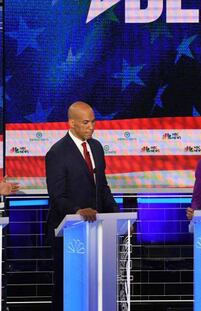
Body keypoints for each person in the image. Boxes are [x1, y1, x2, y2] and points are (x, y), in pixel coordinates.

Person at [45, 101, 119, 310]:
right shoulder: (57, 153)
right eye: (86, 123)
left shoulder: (95, 147)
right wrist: (78, 211)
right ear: (72, 123)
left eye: (93, 122)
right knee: (67, 285)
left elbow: (102, 187)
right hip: (68, 232)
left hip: (97, 229)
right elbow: (57, 196)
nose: (91, 127)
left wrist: (115, 213)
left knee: (95, 283)